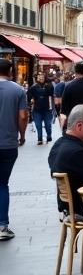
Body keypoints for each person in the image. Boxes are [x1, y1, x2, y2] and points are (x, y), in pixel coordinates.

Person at [0, 58, 29, 240]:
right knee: (2, 184)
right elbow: (23, 116)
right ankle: (2, 226)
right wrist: (22, 135)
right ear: (10, 70)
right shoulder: (18, 90)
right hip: (7, 143)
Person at [27, 72, 56, 145]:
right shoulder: (33, 87)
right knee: (38, 125)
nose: (40, 77)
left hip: (47, 109)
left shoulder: (49, 86)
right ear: (36, 78)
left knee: (48, 125)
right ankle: (39, 138)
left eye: (42, 76)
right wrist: (30, 104)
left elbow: (51, 94)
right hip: (37, 109)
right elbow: (29, 97)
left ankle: (49, 135)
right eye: (38, 76)